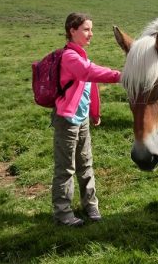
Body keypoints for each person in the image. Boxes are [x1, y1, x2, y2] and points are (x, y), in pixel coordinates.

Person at [51, 12, 121, 227]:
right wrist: (121, 76)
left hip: (81, 120)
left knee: (86, 164)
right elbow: (88, 73)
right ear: (72, 31)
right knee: (66, 169)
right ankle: (63, 213)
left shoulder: (81, 56)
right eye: (86, 29)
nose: (91, 34)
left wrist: (94, 113)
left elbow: (90, 89)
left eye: (91, 29)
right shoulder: (70, 57)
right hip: (67, 120)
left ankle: (90, 205)